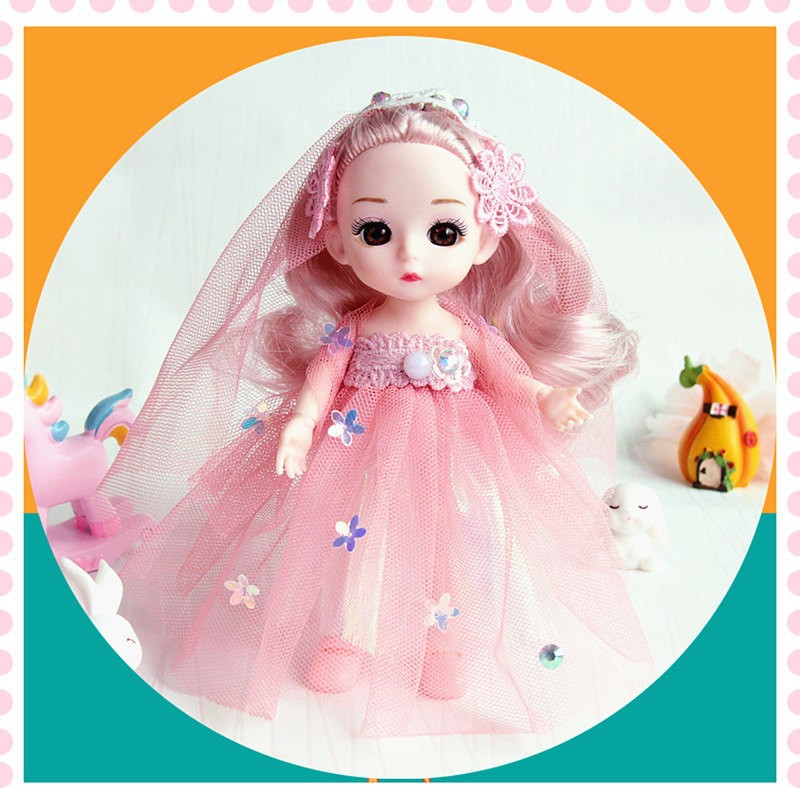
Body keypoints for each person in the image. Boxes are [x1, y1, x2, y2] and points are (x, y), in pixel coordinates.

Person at [105, 89, 652, 739]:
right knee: (358, 542)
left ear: (484, 239)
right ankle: (349, 635)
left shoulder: (465, 328)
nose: (410, 255)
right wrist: (301, 424)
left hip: (455, 451)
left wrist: (546, 397)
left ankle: (444, 641)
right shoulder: (355, 327)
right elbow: (321, 379)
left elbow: (509, 377)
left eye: (443, 232)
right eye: (377, 231)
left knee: (456, 542)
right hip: (361, 447)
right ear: (338, 241)